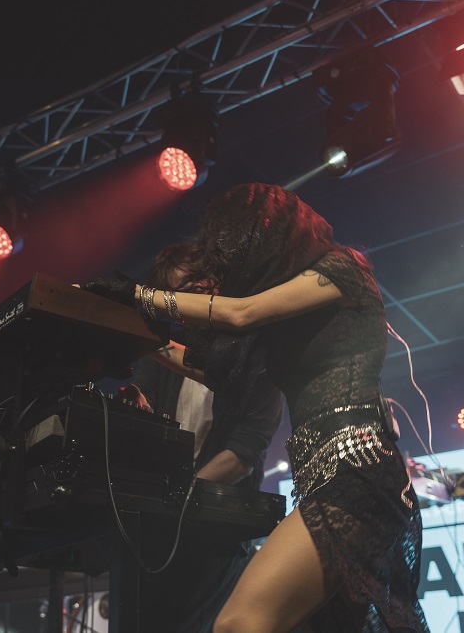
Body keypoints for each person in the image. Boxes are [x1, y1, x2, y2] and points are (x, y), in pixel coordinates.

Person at [86, 183, 429, 632]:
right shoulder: (292, 321)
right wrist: (140, 339)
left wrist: (137, 296)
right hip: (325, 476)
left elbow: (242, 313)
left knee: (240, 623)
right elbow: (210, 370)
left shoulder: (342, 269)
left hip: (358, 470)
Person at [120, 242, 284, 632]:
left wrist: (181, 498)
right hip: (159, 522)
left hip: (218, 527)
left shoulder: (259, 353)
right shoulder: (166, 354)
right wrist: (132, 403)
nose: (204, 285)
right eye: (189, 283)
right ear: (171, 300)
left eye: (206, 276)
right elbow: (144, 396)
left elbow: (245, 450)